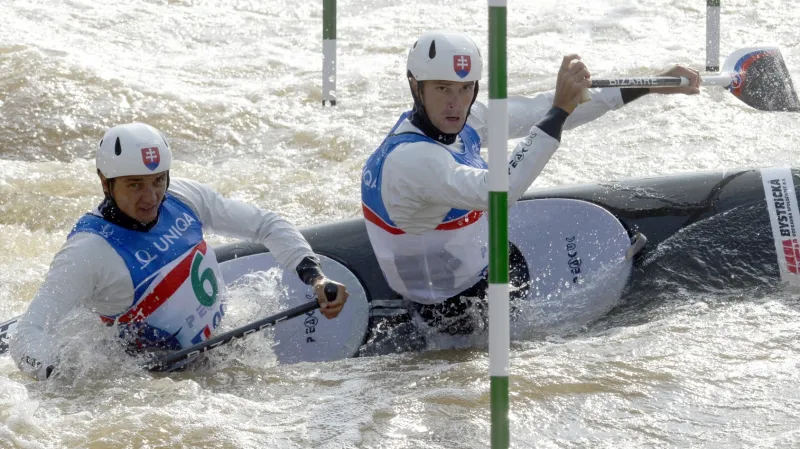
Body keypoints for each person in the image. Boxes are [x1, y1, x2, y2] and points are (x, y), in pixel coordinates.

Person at [361, 30, 700, 334]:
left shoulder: (462, 122)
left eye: (465, 89)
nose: (455, 103)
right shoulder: (413, 160)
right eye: (442, 88)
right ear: (415, 87)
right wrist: (559, 112)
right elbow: (498, 191)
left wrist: (650, 84)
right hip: (451, 309)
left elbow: (543, 108)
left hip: (476, 264)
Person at [10, 122, 349, 380]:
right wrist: (64, 381)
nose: (151, 198)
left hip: (223, 349)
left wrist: (315, 278)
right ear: (104, 182)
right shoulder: (88, 252)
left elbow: (267, 224)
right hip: (161, 382)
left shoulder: (184, 198)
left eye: (158, 180)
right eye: (135, 185)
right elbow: (27, 333)